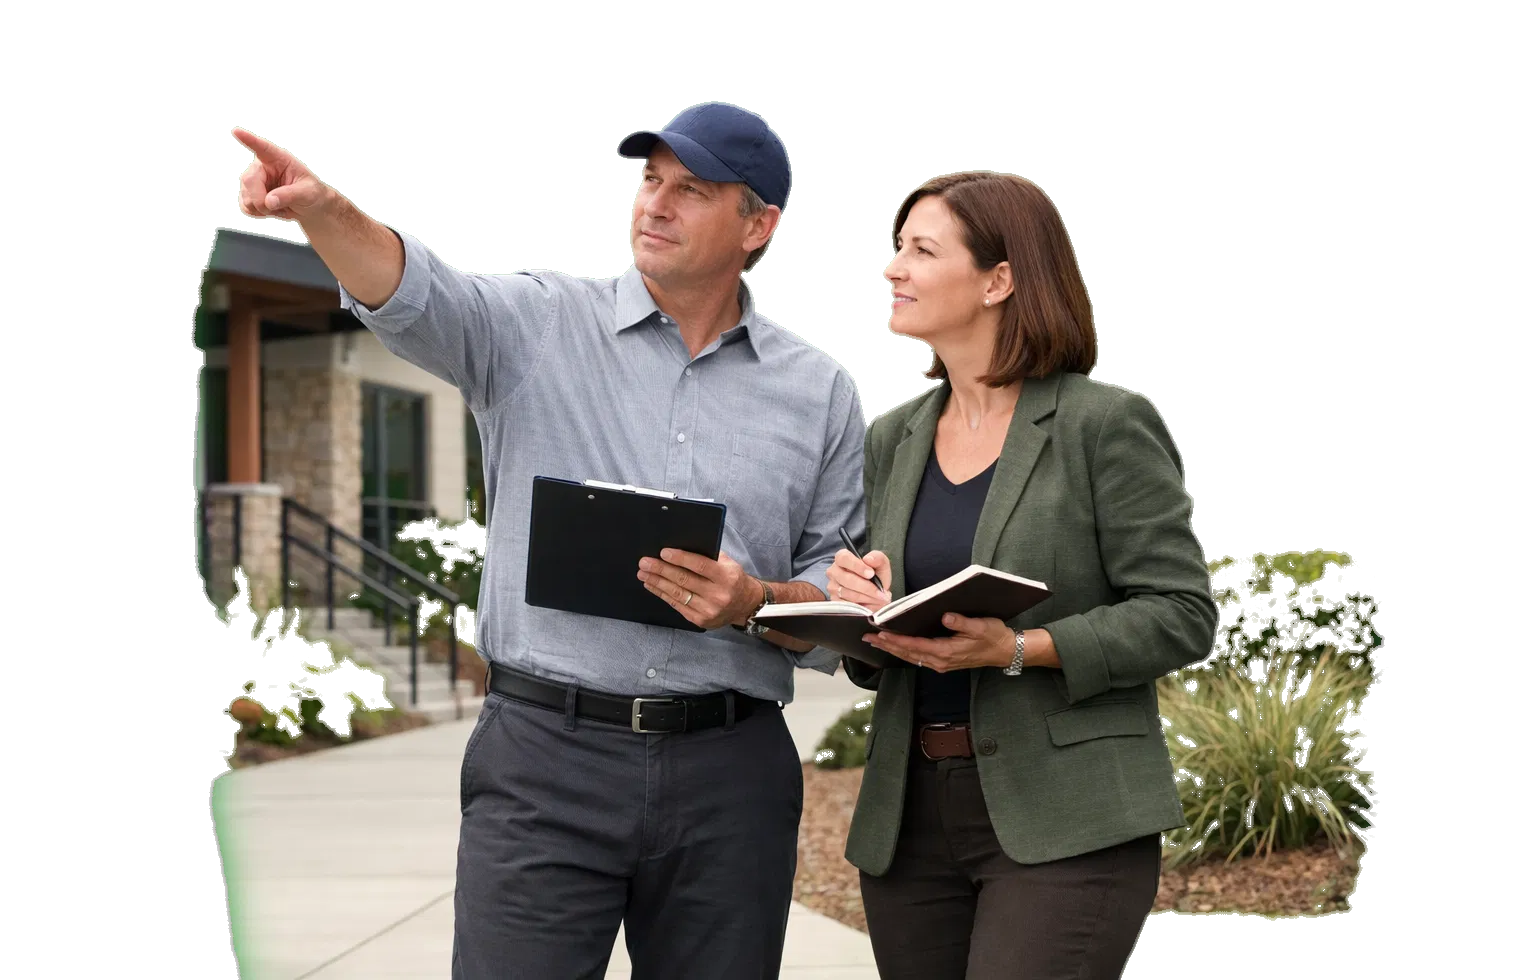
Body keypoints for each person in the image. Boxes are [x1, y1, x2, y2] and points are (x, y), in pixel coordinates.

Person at [231, 102, 866, 980]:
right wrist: (322, 211)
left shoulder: (822, 391)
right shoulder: (537, 325)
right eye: (649, 181)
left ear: (759, 223)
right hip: (545, 761)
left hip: (731, 778)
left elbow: (836, 599)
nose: (654, 204)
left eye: (691, 190)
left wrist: (754, 601)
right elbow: (417, 294)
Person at [824, 171, 1218, 980]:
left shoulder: (1104, 424)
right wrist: (860, 609)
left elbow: (1183, 613)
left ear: (999, 280)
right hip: (911, 823)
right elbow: (877, 653)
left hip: (1068, 819)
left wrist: (1020, 648)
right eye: (896, 249)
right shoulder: (892, 437)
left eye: (921, 250)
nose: (892, 268)